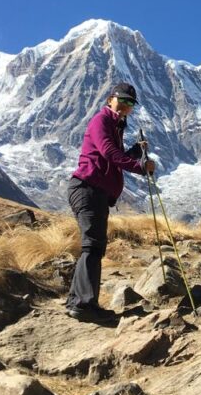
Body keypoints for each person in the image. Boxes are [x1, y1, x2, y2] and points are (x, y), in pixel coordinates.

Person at [66, 82, 155, 321]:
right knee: (93, 246)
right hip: (87, 188)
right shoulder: (101, 121)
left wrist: (135, 151)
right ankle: (84, 305)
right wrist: (140, 167)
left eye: (130, 104)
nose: (126, 106)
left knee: (93, 246)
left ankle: (77, 301)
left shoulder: (115, 126)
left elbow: (115, 157)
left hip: (95, 192)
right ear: (110, 99)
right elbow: (108, 154)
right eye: (122, 101)